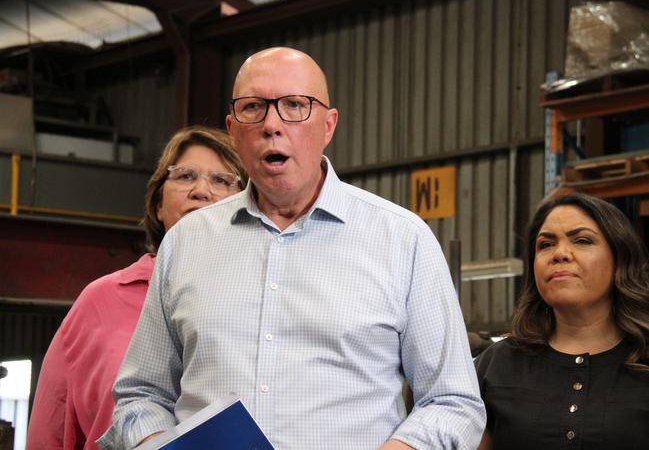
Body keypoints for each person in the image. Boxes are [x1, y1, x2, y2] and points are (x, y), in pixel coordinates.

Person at [100, 47, 485, 450]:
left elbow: (452, 401)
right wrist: (160, 444)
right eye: (253, 108)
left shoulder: (402, 240)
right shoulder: (187, 243)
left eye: (295, 106)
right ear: (233, 129)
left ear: (328, 125)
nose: (272, 125)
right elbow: (140, 395)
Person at [26, 126, 247, 450]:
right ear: (158, 205)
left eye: (222, 180)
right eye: (185, 176)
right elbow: (52, 427)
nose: (201, 190)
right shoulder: (100, 301)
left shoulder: (261, 299)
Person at [476, 193, 649, 450]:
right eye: (545, 244)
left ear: (619, 258)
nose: (560, 253)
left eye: (582, 240)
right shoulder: (496, 365)